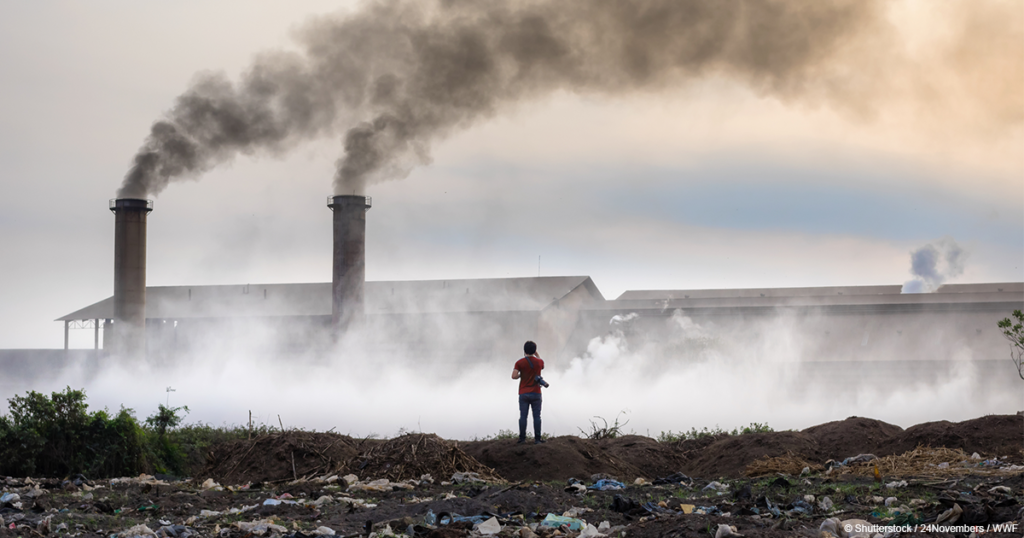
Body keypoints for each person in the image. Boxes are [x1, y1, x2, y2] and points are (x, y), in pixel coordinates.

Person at [511, 340, 545, 444]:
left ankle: (522, 439)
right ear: (534, 350)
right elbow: (541, 364)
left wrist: (521, 374)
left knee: (523, 416)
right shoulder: (540, 362)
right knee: (537, 416)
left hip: (523, 393)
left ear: (524, 350)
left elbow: (514, 376)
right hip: (536, 392)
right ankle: (537, 439)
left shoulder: (519, 362)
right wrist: (536, 354)